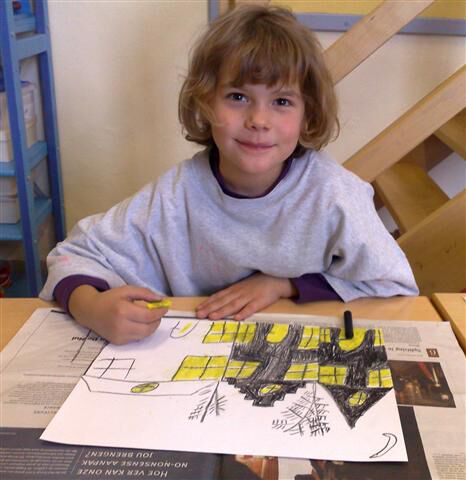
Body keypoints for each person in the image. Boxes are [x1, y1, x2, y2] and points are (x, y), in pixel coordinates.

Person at [40, 5, 418, 344]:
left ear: (309, 115)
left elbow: (394, 284)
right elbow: (73, 254)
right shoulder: (176, 193)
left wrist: (284, 285)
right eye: (238, 96)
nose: (258, 120)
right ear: (204, 102)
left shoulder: (335, 194)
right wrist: (90, 307)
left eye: (282, 101)